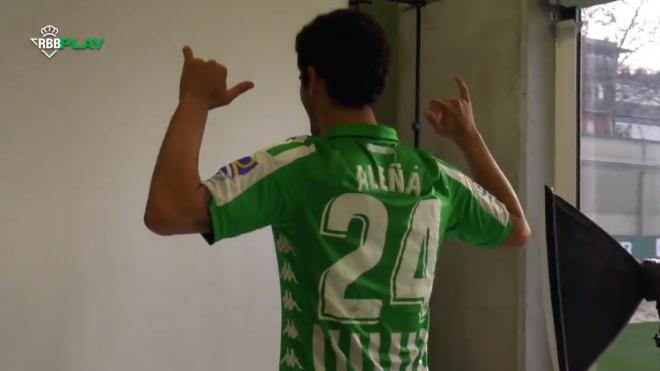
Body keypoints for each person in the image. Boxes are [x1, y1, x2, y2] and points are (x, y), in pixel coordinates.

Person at [144, 8, 531, 371]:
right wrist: (469, 137)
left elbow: (169, 210)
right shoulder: (434, 176)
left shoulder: (298, 166)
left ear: (312, 80)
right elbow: (517, 228)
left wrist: (193, 101)